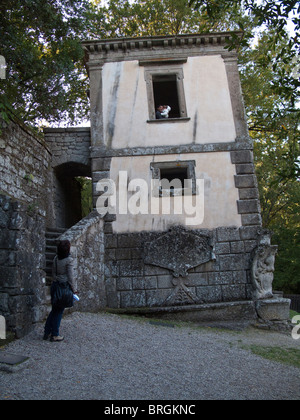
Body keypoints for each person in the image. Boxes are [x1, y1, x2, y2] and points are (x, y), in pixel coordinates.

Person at [43, 240, 78, 342]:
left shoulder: (55, 259)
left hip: (55, 285)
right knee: (59, 311)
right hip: (63, 287)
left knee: (54, 310)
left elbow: (54, 273)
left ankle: (47, 332)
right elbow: (71, 277)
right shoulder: (69, 260)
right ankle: (55, 334)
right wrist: (74, 290)